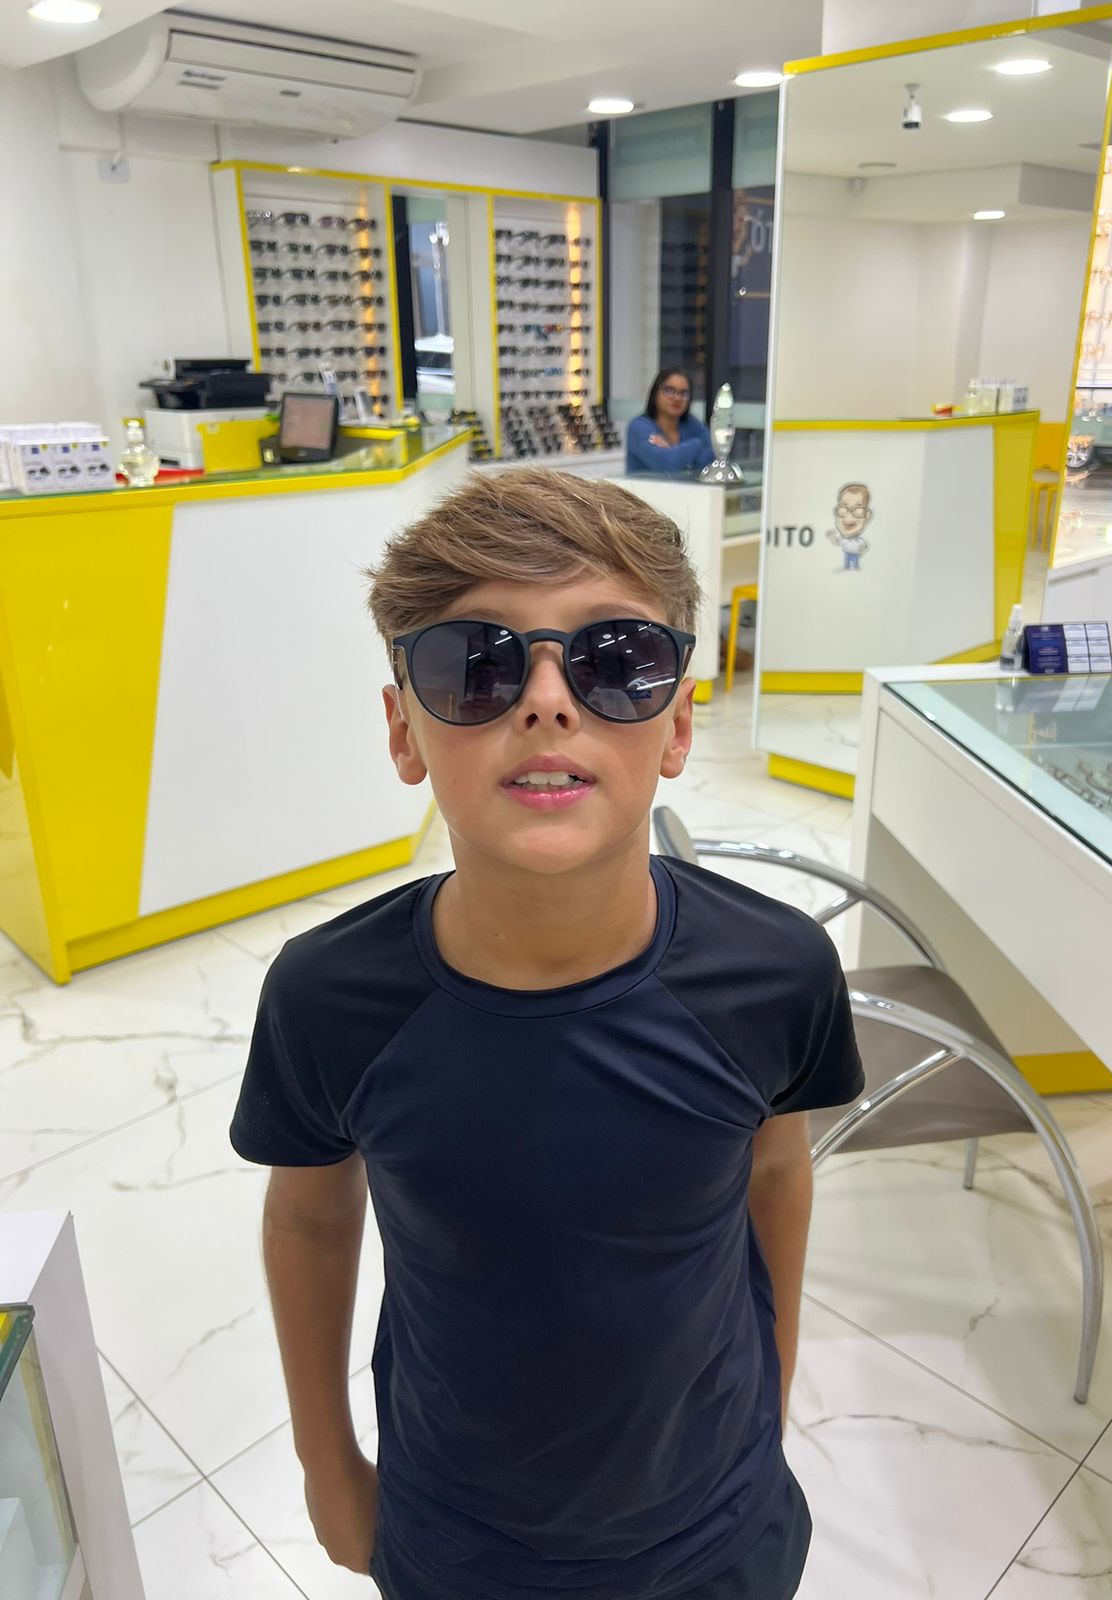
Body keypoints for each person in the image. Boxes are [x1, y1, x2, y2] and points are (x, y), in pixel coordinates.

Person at [229, 467, 864, 1600]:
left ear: (677, 724)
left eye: (616, 659)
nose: (547, 702)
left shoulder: (775, 972)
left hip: (718, 1527)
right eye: (475, 664)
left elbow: (776, 1172)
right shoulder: (329, 999)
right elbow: (310, 1219)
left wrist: (772, 1398)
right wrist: (327, 1465)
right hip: (456, 1540)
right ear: (404, 730)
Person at [625, 367, 716, 476]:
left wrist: (674, 452)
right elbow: (666, 464)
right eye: (669, 390)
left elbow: (711, 458)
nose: (677, 398)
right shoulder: (638, 427)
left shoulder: (691, 424)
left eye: (683, 393)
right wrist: (698, 444)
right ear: (655, 394)